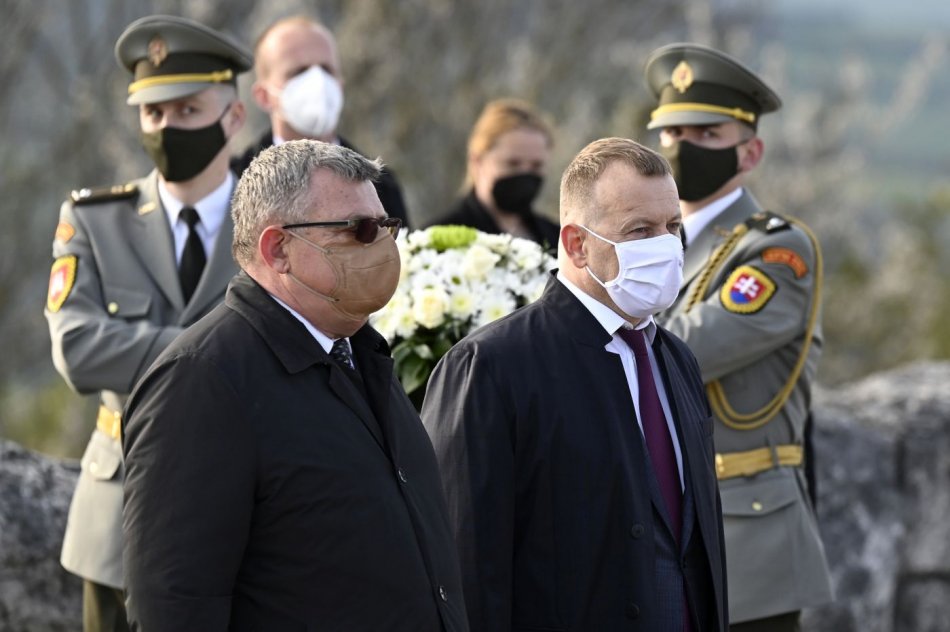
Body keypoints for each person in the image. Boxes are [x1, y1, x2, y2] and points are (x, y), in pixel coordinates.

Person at [121, 140, 468, 631]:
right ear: (278, 249)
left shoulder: (359, 353)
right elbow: (174, 602)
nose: (380, 245)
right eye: (358, 229)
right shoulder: (202, 380)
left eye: (385, 226)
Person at [422, 137, 728, 631]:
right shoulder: (491, 367)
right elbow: (465, 564)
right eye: (640, 230)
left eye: (673, 227)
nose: (665, 246)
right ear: (576, 245)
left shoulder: (676, 359)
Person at [44, 15, 250, 632]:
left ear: (234, 118)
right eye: (153, 113)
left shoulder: (270, 224)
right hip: (116, 513)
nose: (166, 128)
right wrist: (217, 351)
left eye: (187, 110)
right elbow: (77, 348)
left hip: (244, 506)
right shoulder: (94, 220)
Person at [644, 43, 834, 631]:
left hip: (746, 534)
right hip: (659, 525)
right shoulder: (644, 247)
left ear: (750, 152)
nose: (683, 148)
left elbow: (684, 351)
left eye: (707, 134)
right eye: (672, 133)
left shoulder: (776, 250)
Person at [230, 15, 410, 227]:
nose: (318, 82)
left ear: (340, 86)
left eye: (327, 69)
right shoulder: (233, 184)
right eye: (299, 72)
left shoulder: (381, 184)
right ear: (263, 96)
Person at [426, 98, 560, 251]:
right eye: (512, 164)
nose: (525, 173)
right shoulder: (438, 240)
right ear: (477, 161)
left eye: (536, 165)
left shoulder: (557, 239)